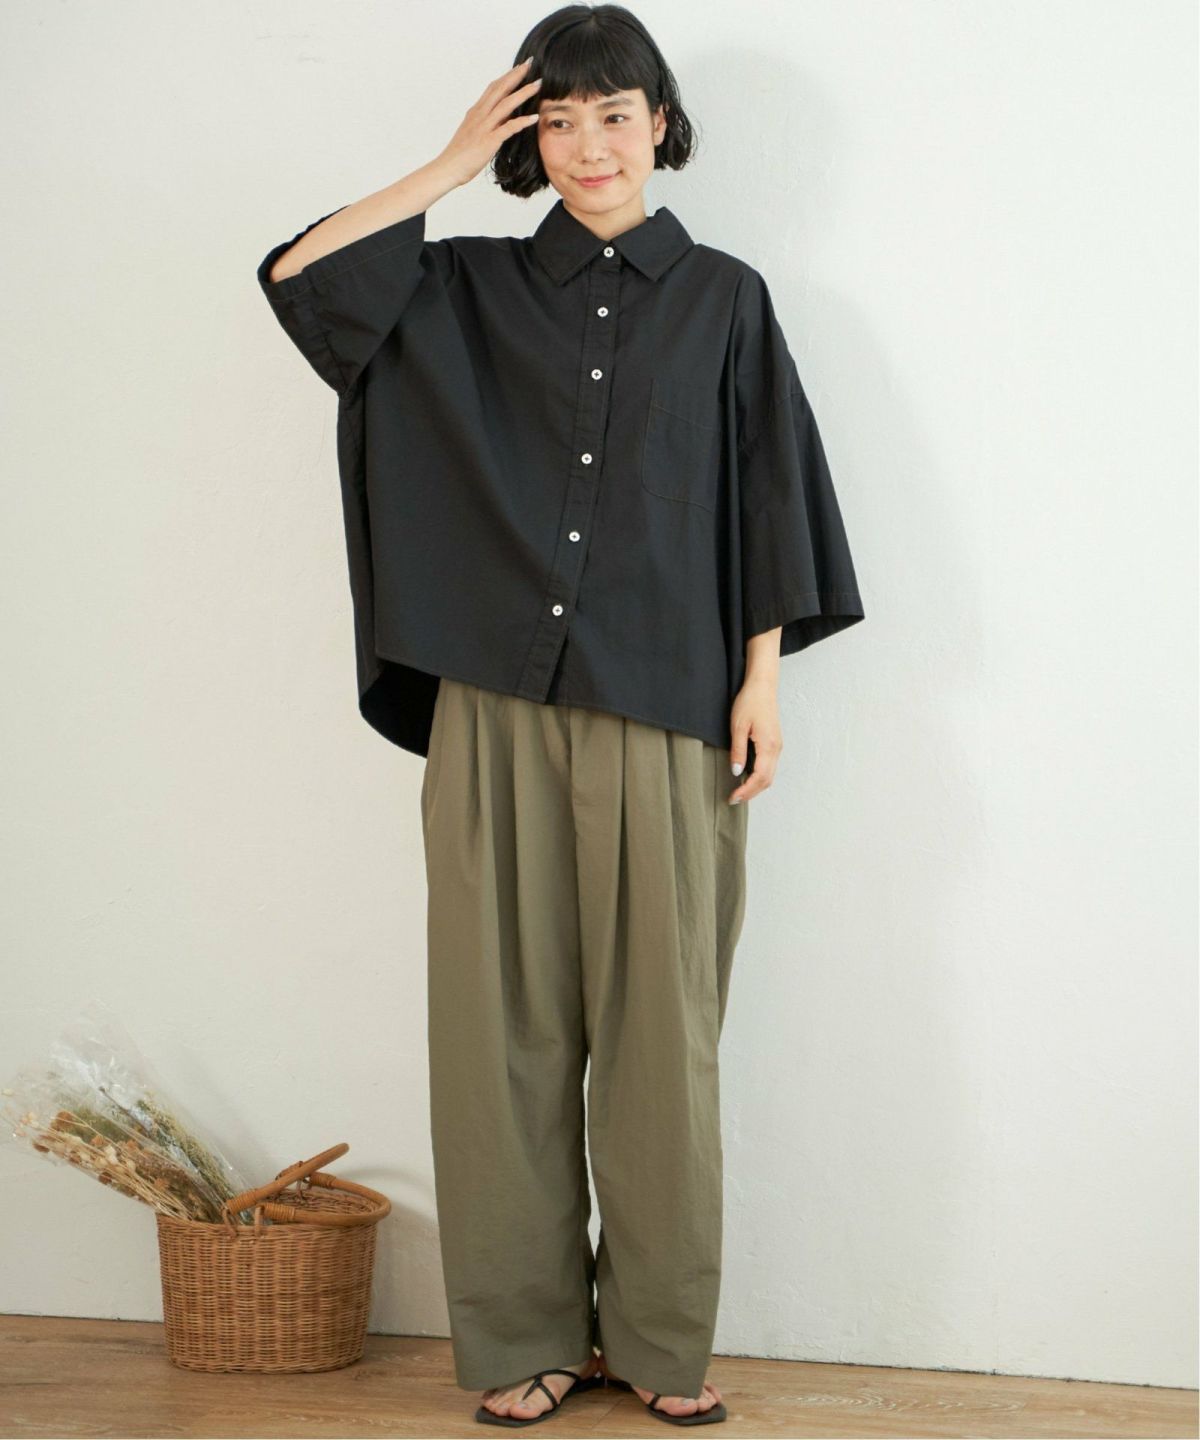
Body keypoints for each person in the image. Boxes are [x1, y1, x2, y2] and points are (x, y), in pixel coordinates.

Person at [256, 4, 864, 1427]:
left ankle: (655, 1343)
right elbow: (300, 281)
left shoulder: (726, 300)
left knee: (663, 1039)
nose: (591, 146)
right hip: (493, 706)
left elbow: (766, 492)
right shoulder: (455, 286)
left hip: (668, 704)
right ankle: (523, 1336)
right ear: (527, 134)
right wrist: (446, 165)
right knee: (499, 1033)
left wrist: (763, 680)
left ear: (661, 124)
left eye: (615, 114)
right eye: (561, 118)